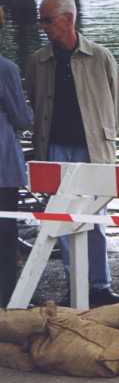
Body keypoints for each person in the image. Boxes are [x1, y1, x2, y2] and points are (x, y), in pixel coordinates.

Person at [25, 0, 119, 307]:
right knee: (61, 219)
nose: (43, 26)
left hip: (91, 149)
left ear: (68, 19)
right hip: (54, 149)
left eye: (47, 20)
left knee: (95, 217)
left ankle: (99, 285)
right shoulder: (38, 62)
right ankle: (75, 284)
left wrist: (105, 136)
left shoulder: (100, 56)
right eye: (41, 20)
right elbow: (32, 101)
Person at [0, 53, 33, 308]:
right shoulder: (6, 68)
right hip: (2, 166)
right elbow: (22, 118)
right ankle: (8, 299)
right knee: (5, 233)